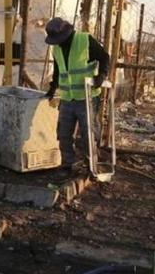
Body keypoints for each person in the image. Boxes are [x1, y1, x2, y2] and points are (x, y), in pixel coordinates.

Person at [44, 17, 110, 172]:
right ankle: (68, 163)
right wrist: (53, 89)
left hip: (87, 96)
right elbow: (59, 71)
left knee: (89, 133)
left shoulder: (84, 40)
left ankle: (91, 164)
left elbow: (104, 57)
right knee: (63, 133)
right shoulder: (57, 48)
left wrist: (101, 75)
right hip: (67, 98)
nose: (58, 42)